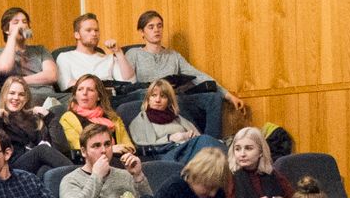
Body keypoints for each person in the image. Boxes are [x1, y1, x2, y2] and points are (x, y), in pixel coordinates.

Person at [124, 9, 239, 139]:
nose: (156, 30)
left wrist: (227, 95)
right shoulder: (133, 54)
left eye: (159, 26)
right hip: (152, 98)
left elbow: (198, 75)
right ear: (142, 32)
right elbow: (128, 82)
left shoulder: (173, 56)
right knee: (176, 101)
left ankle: (212, 141)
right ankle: (199, 140)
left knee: (214, 97)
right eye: (151, 27)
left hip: (176, 96)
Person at [60, 120, 145, 198]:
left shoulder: (125, 174)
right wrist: (97, 176)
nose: (103, 150)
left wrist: (138, 177)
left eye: (107, 144)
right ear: (83, 151)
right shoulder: (70, 180)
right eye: (96, 146)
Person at [126, 79, 219, 167]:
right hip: (168, 155)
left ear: (169, 101)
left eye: (163, 96)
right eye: (153, 95)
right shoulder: (140, 120)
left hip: (189, 148)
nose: (157, 100)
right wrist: (170, 138)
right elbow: (142, 146)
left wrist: (190, 135)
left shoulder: (177, 118)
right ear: (148, 99)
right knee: (208, 144)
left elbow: (198, 136)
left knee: (208, 142)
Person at [0, 75, 69, 173]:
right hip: (11, 167)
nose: (16, 98)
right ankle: (79, 174)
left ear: (26, 98)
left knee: (45, 170)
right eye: (12, 93)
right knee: (42, 150)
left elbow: (61, 147)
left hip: (35, 165)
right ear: (4, 95)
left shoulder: (35, 119)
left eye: (21, 94)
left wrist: (48, 117)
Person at [0, 7, 58, 105]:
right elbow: (4, 67)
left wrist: (19, 81)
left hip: (48, 96)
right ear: (6, 30)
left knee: (72, 99)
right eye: (16, 22)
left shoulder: (40, 50)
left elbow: (52, 75)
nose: (22, 25)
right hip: (20, 97)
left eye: (24, 22)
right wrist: (13, 36)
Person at [54, 74, 134, 158]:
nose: (84, 93)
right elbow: (79, 148)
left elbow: (129, 146)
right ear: (75, 95)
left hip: (121, 160)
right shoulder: (68, 118)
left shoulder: (113, 117)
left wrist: (126, 152)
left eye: (90, 90)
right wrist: (110, 150)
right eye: (80, 89)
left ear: (99, 96)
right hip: (91, 164)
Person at [224, 126, 289, 198]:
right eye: (237, 149)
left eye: (248, 148)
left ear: (261, 152)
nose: (242, 154)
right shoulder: (229, 176)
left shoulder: (273, 174)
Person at [54, 12, 134, 89]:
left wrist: (118, 52)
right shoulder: (65, 57)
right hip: (84, 99)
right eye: (89, 30)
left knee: (141, 94)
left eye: (96, 30)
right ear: (77, 35)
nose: (94, 34)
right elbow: (66, 85)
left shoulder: (108, 58)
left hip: (113, 99)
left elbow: (130, 81)